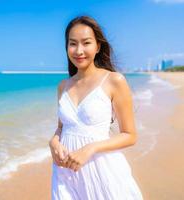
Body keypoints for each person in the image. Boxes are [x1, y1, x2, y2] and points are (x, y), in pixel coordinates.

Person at [49, 15, 143, 199]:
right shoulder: (63, 86)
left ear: (98, 46)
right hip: (65, 173)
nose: (79, 50)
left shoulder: (114, 80)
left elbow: (130, 135)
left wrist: (89, 149)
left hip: (102, 171)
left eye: (86, 43)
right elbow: (62, 127)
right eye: (73, 43)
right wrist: (53, 142)